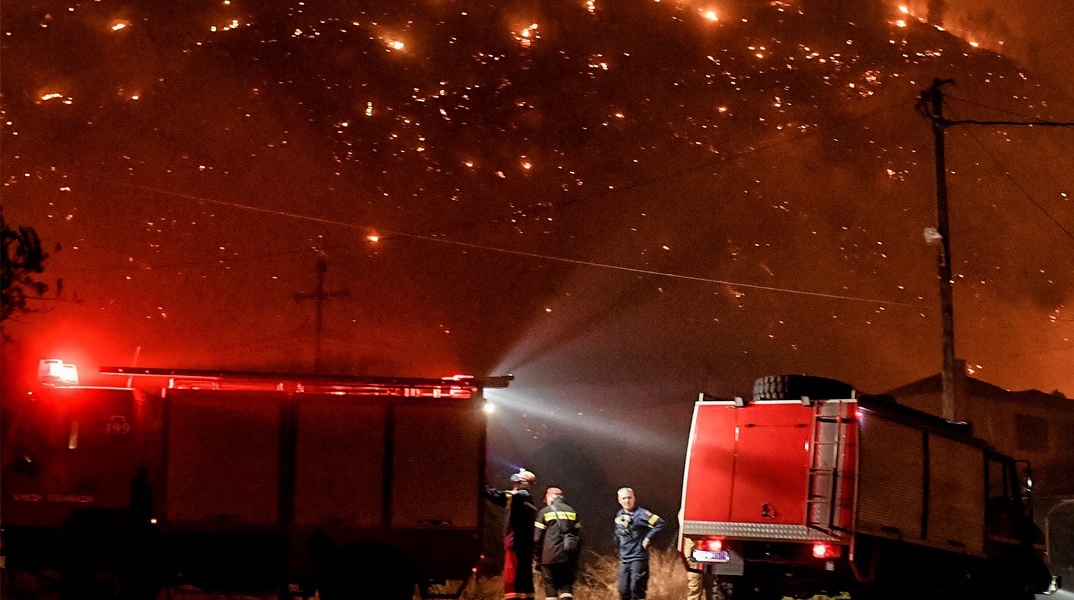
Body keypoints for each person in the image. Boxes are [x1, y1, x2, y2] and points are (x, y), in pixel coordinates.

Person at [485, 468, 538, 600]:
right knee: (525, 582)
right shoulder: (531, 502)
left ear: (521, 481)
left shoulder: (517, 496)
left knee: (512, 579)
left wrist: (480, 485)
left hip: (515, 544)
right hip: (526, 547)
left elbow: (496, 496)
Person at [614, 487, 666, 600]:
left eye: (629, 498)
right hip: (625, 559)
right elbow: (618, 532)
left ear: (634, 498)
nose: (627, 501)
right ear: (619, 500)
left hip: (638, 558)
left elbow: (660, 523)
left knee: (636, 589)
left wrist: (647, 539)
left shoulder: (642, 514)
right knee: (623, 591)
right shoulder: (619, 514)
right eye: (624, 498)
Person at [533, 486, 582, 600]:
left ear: (550, 497)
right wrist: (575, 557)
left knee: (550, 586)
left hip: (548, 557)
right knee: (566, 586)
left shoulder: (544, 512)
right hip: (568, 557)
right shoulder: (572, 511)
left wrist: (537, 557)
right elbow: (579, 537)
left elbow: (537, 538)